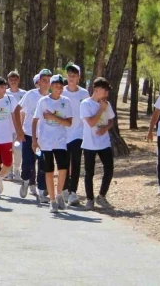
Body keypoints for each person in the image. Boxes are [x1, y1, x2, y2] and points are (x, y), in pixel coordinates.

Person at [33, 74, 73, 213]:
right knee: (48, 170)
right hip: (45, 141)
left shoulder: (66, 101)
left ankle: (59, 193)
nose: (59, 88)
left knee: (63, 168)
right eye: (56, 86)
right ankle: (52, 200)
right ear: (51, 86)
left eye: (61, 86)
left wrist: (53, 117)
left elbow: (68, 122)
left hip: (60, 140)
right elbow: (35, 120)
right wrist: (34, 139)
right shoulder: (43, 101)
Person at [0, 77, 24, 198]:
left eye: (4, 86)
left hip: (7, 136)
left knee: (8, 163)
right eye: (1, 87)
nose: (4, 89)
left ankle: (0, 178)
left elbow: (14, 115)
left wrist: (19, 131)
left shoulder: (10, 98)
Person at [80, 77, 116, 210]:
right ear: (96, 89)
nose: (107, 93)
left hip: (104, 142)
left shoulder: (107, 104)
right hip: (89, 143)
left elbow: (111, 120)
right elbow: (90, 123)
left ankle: (102, 196)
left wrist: (106, 128)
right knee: (89, 172)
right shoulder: (85, 104)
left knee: (109, 168)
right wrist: (101, 109)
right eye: (105, 90)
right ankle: (90, 199)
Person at [18, 69, 52, 200]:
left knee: (43, 163)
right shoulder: (30, 94)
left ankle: (42, 190)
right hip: (28, 134)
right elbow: (18, 110)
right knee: (28, 162)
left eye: (49, 80)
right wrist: (19, 129)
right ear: (39, 81)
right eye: (44, 80)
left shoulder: (52, 97)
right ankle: (25, 181)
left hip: (45, 137)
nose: (46, 83)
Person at [61, 63, 90, 206]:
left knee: (76, 162)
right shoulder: (61, 91)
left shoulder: (84, 93)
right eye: (69, 75)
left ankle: (73, 191)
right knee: (64, 163)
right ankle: (64, 188)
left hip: (78, 133)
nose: (71, 78)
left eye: (74, 76)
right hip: (62, 133)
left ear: (79, 77)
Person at [6, 71, 26, 180]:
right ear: (8, 81)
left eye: (15, 79)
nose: (13, 82)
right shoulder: (4, 93)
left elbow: (24, 112)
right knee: (8, 150)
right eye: (11, 80)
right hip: (7, 128)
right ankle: (9, 171)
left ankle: (17, 169)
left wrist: (21, 128)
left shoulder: (24, 94)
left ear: (18, 80)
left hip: (20, 128)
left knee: (18, 149)